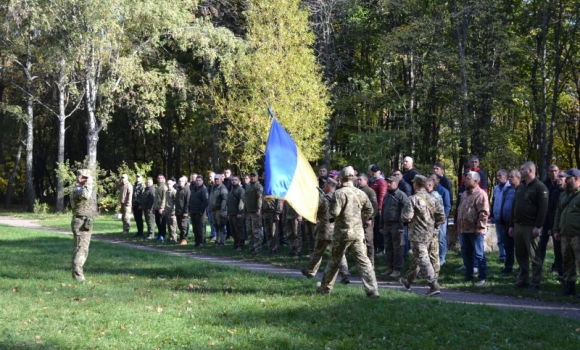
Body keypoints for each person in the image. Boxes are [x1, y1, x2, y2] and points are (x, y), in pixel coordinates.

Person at [316, 166, 379, 298]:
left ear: (341, 178)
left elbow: (334, 213)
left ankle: (324, 289)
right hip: (357, 233)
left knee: (334, 261)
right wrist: (360, 219)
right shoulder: (361, 193)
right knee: (364, 262)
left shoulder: (339, 193)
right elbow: (370, 210)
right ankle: (373, 291)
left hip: (342, 233)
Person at [399, 175, 445, 296]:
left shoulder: (412, 199)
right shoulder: (432, 198)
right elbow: (441, 216)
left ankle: (433, 285)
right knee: (418, 257)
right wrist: (433, 226)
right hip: (430, 235)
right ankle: (408, 281)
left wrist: (404, 216)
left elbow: (406, 217)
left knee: (423, 259)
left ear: (416, 184)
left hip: (417, 235)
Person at [509, 161, 549, 292]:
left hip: (531, 227)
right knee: (520, 255)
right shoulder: (520, 187)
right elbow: (514, 206)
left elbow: (543, 209)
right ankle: (523, 280)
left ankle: (535, 282)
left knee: (534, 256)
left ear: (530, 171)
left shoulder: (540, 187)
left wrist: (538, 226)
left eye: (522, 169)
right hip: (518, 225)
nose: (520, 171)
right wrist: (511, 225)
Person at [302, 178, 350, 283]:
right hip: (337, 230)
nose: (323, 186)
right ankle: (345, 273)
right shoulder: (341, 197)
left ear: (329, 185)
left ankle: (310, 271)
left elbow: (315, 209)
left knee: (318, 252)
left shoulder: (323, 198)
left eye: (325, 184)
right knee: (339, 253)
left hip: (324, 230)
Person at [456, 171, 490, 286]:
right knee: (466, 253)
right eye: (466, 178)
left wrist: (480, 227)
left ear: (476, 181)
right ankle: (469, 275)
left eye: (468, 178)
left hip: (475, 230)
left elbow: (484, 212)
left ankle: (482, 277)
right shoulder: (464, 194)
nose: (465, 180)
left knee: (479, 254)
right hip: (464, 229)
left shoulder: (481, 194)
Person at [553, 169, 580, 296]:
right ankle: (570, 286)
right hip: (565, 234)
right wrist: (556, 229)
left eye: (568, 178)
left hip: (577, 234)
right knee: (567, 261)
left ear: (576, 179)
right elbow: (558, 213)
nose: (566, 180)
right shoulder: (564, 194)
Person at [380, 176, 407, 278]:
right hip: (387, 225)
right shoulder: (387, 196)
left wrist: (401, 226)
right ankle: (390, 268)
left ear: (396, 184)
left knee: (398, 248)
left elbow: (404, 212)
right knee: (388, 247)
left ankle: (397, 269)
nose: (388, 184)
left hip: (397, 226)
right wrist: (381, 225)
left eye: (390, 182)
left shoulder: (401, 196)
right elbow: (383, 211)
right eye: (388, 182)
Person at [71, 169, 96, 281]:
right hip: (81, 221)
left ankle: (77, 275)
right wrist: (89, 183)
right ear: (79, 178)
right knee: (81, 249)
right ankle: (78, 276)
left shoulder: (83, 188)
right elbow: (85, 195)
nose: (87, 179)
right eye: (85, 177)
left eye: (88, 177)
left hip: (84, 221)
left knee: (81, 248)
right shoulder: (78, 189)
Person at [541, 164, 563, 276]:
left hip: (556, 220)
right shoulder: (544, 184)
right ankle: (538, 266)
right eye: (551, 171)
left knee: (557, 247)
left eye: (555, 171)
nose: (553, 173)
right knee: (541, 244)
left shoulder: (562, 186)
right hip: (545, 218)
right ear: (548, 172)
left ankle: (558, 267)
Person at [499, 170, 520, 273]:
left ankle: (521, 268)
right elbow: (503, 204)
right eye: (509, 177)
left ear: (518, 178)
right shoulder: (507, 190)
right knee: (508, 246)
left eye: (512, 177)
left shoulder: (522, 190)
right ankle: (508, 267)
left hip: (518, 223)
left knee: (520, 247)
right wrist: (501, 220)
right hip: (507, 222)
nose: (509, 179)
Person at [357, 174, 378, 265]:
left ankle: (371, 263)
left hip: (366, 219)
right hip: (357, 219)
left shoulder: (370, 191)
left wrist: (370, 218)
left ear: (366, 180)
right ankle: (361, 263)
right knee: (359, 242)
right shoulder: (356, 190)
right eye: (358, 179)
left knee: (368, 241)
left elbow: (374, 206)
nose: (358, 181)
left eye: (360, 179)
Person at [430, 174, 451, 265]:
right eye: (430, 179)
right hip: (430, 219)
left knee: (441, 238)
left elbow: (447, 205)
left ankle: (442, 258)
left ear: (438, 180)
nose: (432, 181)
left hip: (441, 219)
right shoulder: (429, 190)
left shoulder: (444, 191)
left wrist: (444, 217)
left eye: (434, 179)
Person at [490, 169, 510, 263]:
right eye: (497, 176)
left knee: (507, 238)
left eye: (500, 176)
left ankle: (508, 257)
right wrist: (492, 215)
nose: (498, 178)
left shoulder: (510, 187)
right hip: (497, 217)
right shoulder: (496, 188)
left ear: (505, 176)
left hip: (506, 218)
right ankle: (502, 256)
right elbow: (494, 201)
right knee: (500, 239)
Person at [244, 171, 264, 253]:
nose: (252, 177)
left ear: (257, 177)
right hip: (248, 212)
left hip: (255, 212)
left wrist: (259, 209)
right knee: (249, 230)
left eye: (254, 176)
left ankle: (257, 247)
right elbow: (245, 199)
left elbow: (260, 198)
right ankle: (251, 246)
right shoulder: (248, 186)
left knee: (256, 230)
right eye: (251, 176)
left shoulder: (258, 186)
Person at [369, 165, 387, 257]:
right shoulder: (373, 181)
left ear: (379, 172)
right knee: (374, 229)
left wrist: (379, 209)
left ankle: (381, 248)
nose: (373, 173)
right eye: (372, 171)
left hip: (378, 209)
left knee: (379, 229)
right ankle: (375, 247)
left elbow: (382, 196)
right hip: (373, 208)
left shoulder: (382, 182)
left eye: (375, 171)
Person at [209, 174, 228, 246]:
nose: (216, 180)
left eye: (218, 179)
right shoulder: (214, 187)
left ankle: (222, 241)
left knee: (221, 225)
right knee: (216, 225)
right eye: (215, 179)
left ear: (221, 179)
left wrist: (222, 210)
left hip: (219, 210)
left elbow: (224, 199)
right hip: (214, 210)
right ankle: (217, 240)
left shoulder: (222, 188)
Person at [189, 175, 208, 247]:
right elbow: (191, 200)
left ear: (202, 181)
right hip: (193, 211)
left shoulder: (203, 189)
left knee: (200, 227)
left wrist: (201, 211)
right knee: (195, 228)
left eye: (199, 180)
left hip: (200, 212)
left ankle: (202, 242)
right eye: (197, 180)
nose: (198, 182)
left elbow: (205, 201)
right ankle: (197, 241)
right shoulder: (193, 189)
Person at [227, 175, 245, 251]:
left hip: (237, 214)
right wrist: (228, 214)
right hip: (231, 214)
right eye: (232, 180)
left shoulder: (240, 190)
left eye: (235, 180)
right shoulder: (231, 190)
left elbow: (242, 201)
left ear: (239, 181)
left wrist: (240, 212)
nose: (234, 181)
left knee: (239, 230)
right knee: (233, 230)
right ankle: (236, 243)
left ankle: (240, 245)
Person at [175, 176, 190, 245]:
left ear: (185, 182)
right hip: (178, 211)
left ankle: (184, 239)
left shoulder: (187, 190)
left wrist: (186, 211)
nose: (180, 182)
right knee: (180, 226)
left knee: (184, 226)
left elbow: (188, 202)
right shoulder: (178, 190)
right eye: (179, 181)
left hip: (184, 211)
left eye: (182, 181)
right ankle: (181, 239)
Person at [152, 174, 168, 241]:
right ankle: (159, 234)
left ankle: (162, 235)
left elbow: (164, 198)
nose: (159, 179)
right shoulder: (158, 187)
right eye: (158, 178)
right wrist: (154, 207)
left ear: (163, 179)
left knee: (162, 222)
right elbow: (155, 199)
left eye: (161, 178)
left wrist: (162, 207)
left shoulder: (164, 187)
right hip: (156, 207)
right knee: (158, 221)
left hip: (161, 208)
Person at [164, 178, 178, 243]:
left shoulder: (174, 191)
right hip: (167, 210)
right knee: (168, 225)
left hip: (172, 211)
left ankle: (174, 238)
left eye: (170, 184)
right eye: (167, 184)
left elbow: (176, 202)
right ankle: (170, 238)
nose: (168, 185)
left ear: (172, 184)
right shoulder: (166, 192)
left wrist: (174, 210)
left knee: (173, 225)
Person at [206, 171, 217, 242]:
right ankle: (213, 234)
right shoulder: (209, 186)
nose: (210, 178)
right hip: (209, 206)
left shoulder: (216, 186)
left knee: (215, 221)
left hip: (214, 206)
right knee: (210, 220)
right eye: (209, 176)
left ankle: (215, 235)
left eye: (211, 176)